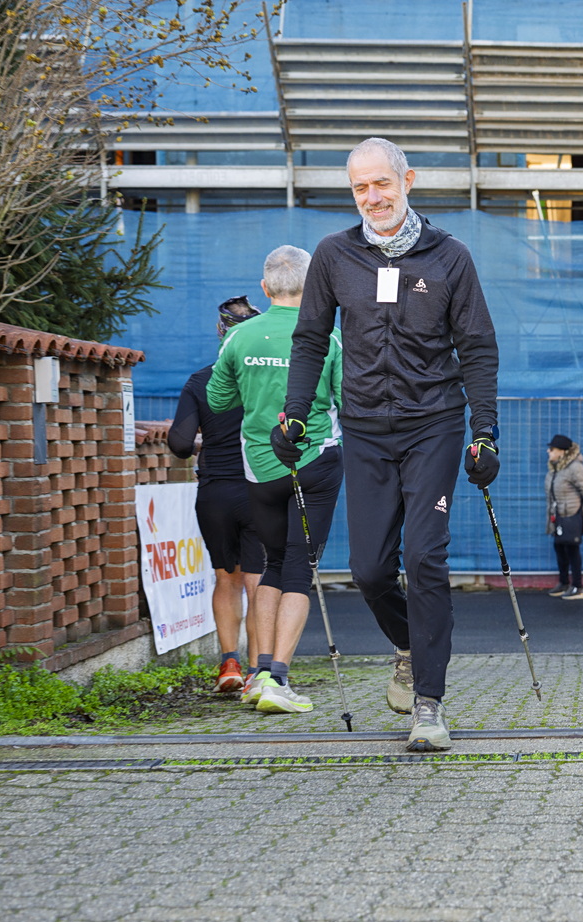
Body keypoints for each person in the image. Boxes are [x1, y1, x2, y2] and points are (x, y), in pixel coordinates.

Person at [280, 136, 500, 752]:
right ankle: (408, 644)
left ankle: (429, 702)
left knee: (425, 557)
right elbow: (310, 340)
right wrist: (295, 415)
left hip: (434, 424)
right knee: (370, 570)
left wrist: (485, 430)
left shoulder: (449, 256)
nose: (372, 196)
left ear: (408, 181)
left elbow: (477, 346)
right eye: (360, 187)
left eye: (381, 183)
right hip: (365, 428)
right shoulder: (334, 254)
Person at [207, 246, 343, 714]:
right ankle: (278, 679)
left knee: (273, 564)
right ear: (315, 287)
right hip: (315, 460)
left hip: (261, 466)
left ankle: (260, 673)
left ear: (265, 289)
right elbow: (346, 398)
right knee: (300, 570)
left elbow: (218, 401)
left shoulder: (239, 336)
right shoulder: (328, 336)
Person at [166, 296, 266, 693]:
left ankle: (229, 664)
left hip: (214, 494)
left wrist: (201, 444)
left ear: (219, 332)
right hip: (259, 490)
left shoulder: (200, 380)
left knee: (226, 579)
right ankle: (259, 672)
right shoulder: (268, 377)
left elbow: (178, 443)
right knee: (259, 582)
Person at [545, 433, 583, 600]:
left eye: (552, 449)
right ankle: (563, 583)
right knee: (559, 547)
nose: (548, 451)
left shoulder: (575, 468)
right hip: (558, 517)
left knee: (572, 550)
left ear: (562, 451)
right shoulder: (555, 468)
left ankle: (578, 587)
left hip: (572, 516)